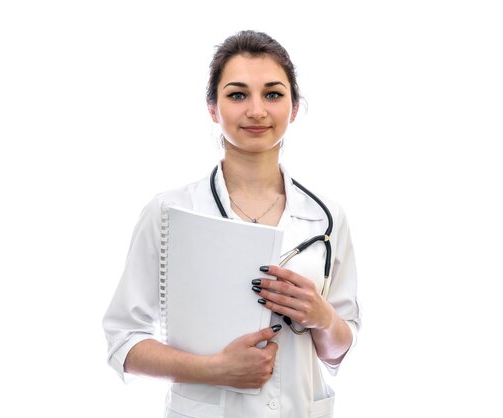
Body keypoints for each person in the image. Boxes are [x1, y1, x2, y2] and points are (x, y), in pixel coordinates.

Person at [103, 30, 361, 418]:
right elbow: (123, 342)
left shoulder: (326, 218)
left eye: (273, 94)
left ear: (293, 108)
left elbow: (338, 350)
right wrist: (215, 370)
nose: (256, 110)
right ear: (212, 107)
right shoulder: (169, 211)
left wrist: (322, 317)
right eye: (237, 94)